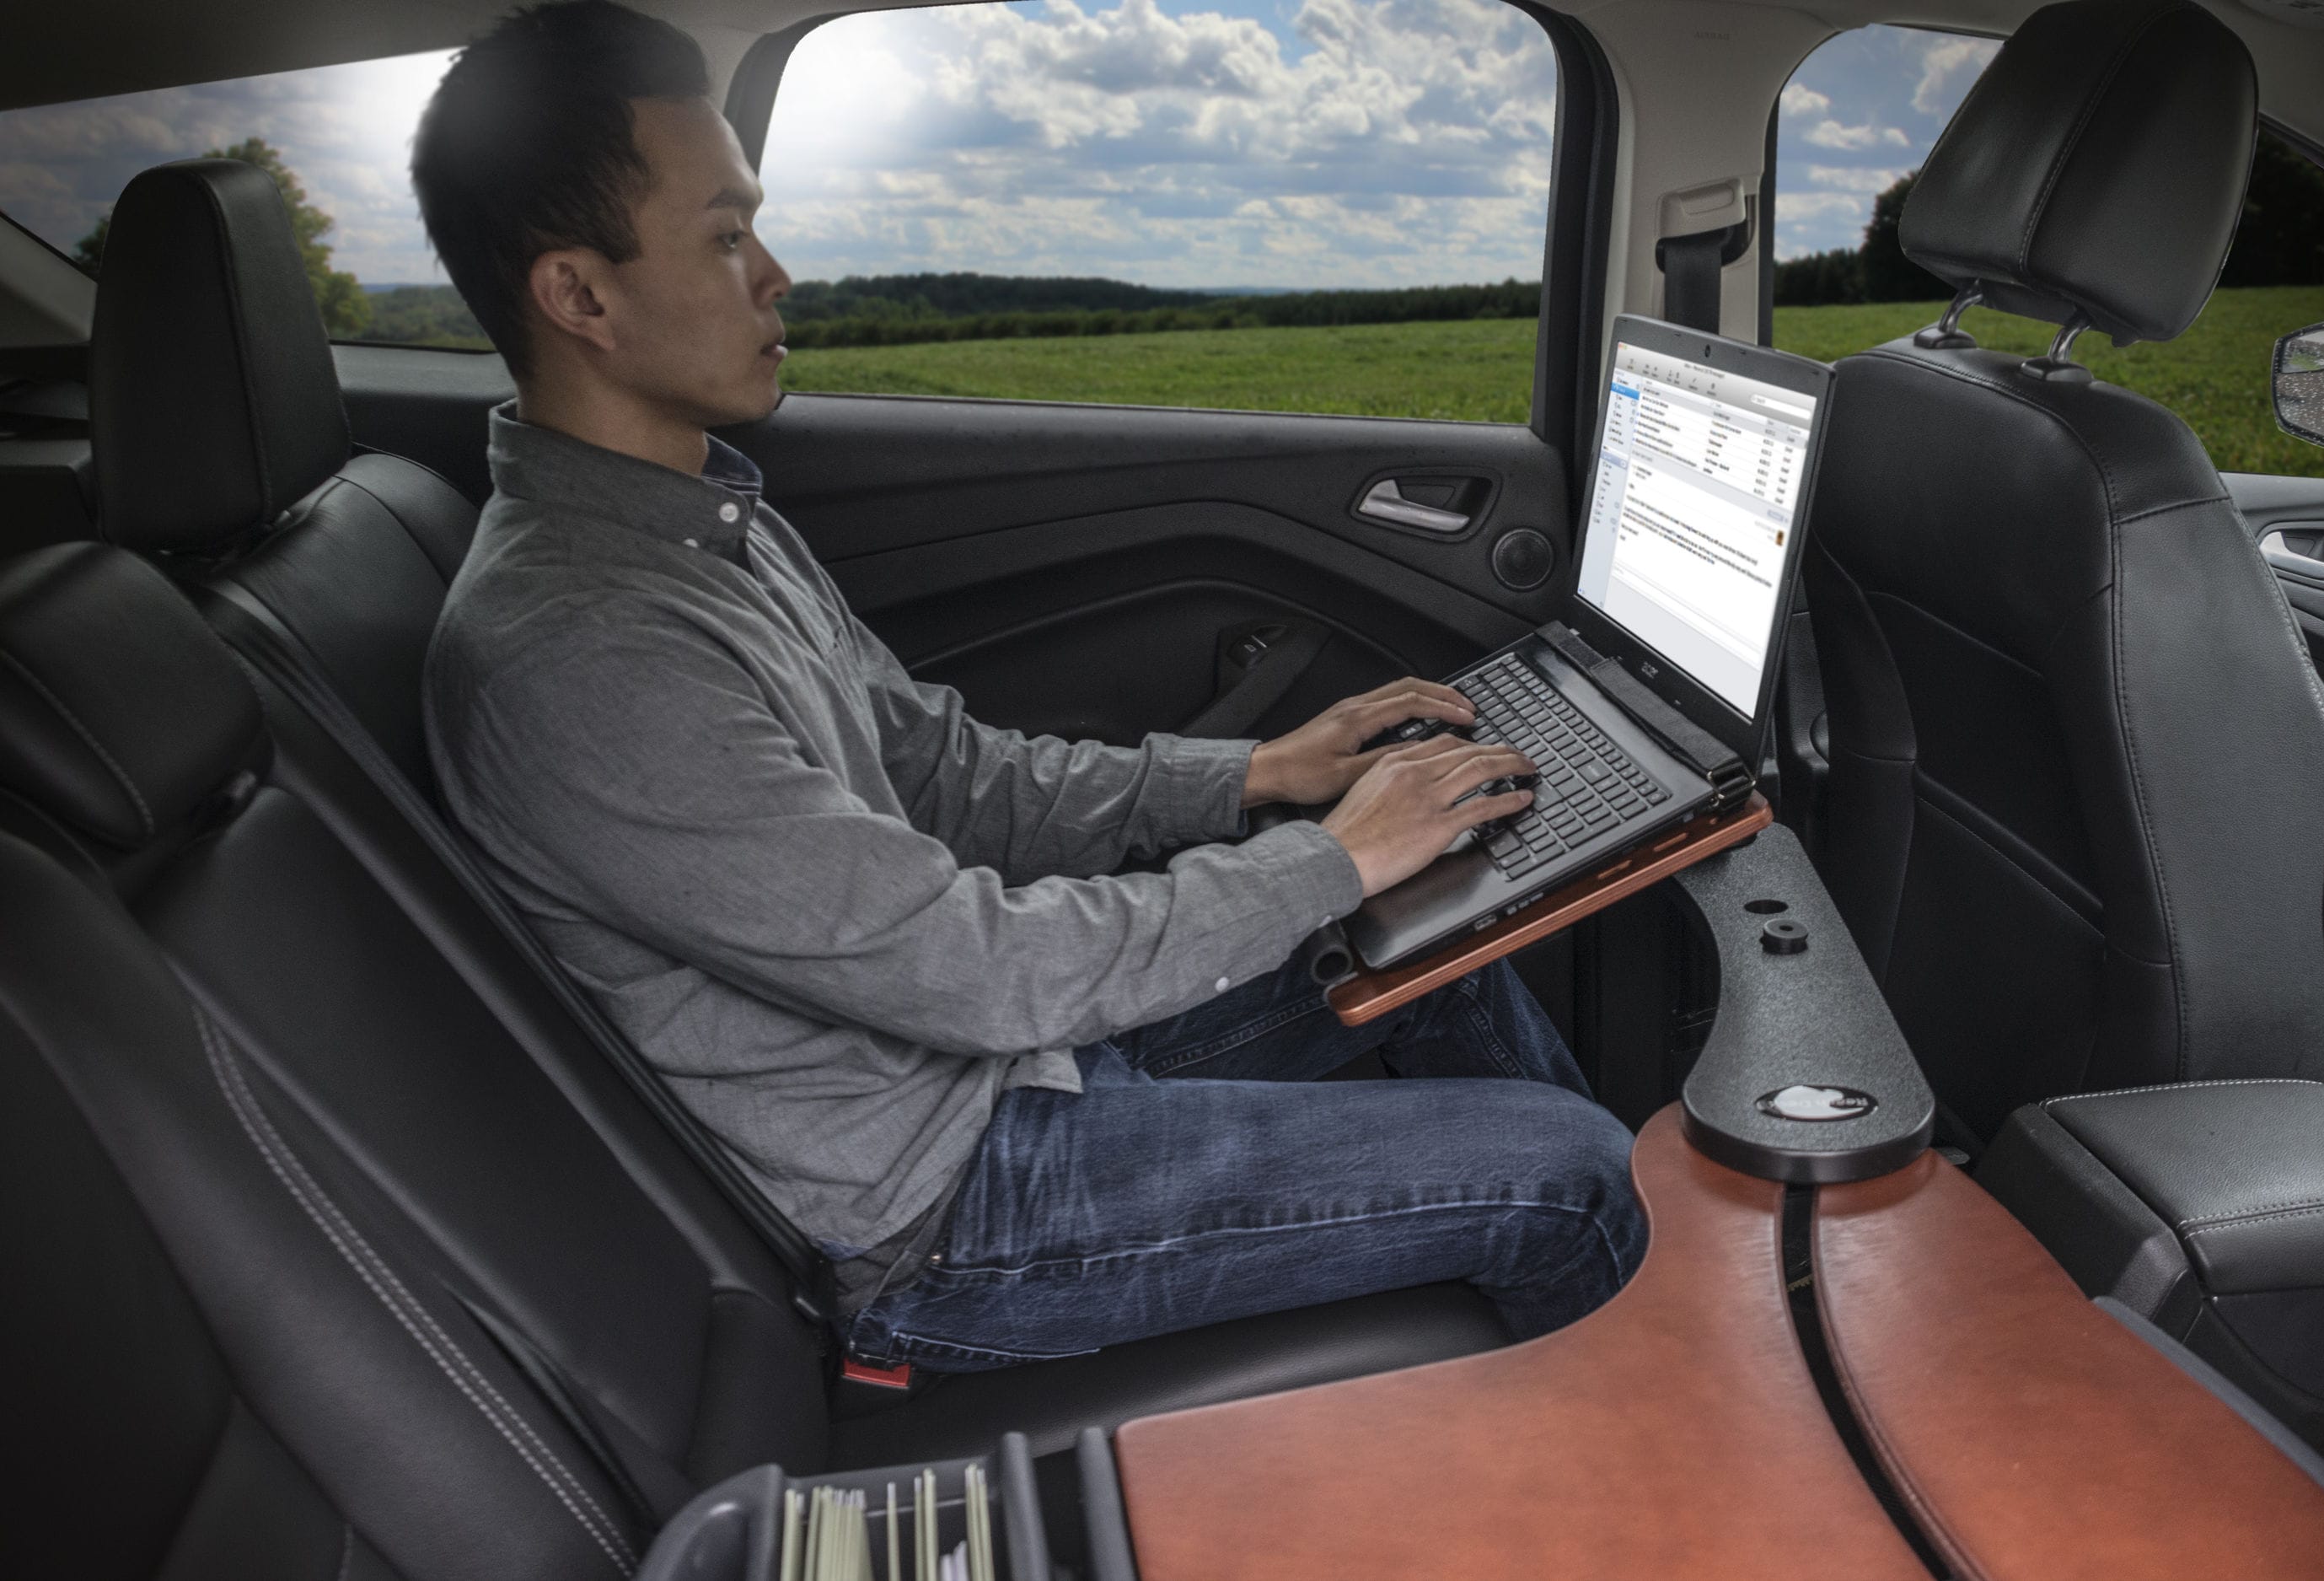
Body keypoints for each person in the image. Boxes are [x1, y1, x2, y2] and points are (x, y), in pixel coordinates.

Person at [414, 0, 1645, 1372]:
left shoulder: (709, 522)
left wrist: (1256, 778)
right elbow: (972, 969)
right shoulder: (585, 652)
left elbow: (945, 774)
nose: (775, 274)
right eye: (722, 236)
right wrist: (1326, 863)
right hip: (945, 1209)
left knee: (1436, 930)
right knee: (1577, 1168)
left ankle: (1588, 1322)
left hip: (1000, 1076)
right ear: (579, 295)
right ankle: (1667, 1453)